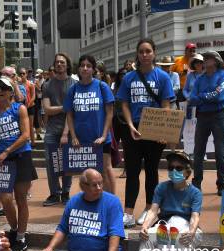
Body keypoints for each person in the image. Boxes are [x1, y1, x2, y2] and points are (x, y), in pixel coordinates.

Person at [117, 38, 175, 228]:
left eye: (148, 51)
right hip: (133, 128)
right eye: (141, 51)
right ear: (137, 54)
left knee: (152, 171)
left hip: (154, 128)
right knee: (132, 171)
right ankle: (128, 212)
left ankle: (150, 209)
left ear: (154, 53)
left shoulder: (163, 77)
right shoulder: (129, 78)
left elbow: (166, 105)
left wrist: (163, 130)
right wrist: (129, 125)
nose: (145, 55)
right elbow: (124, 103)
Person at [134, 151, 202, 251]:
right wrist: (144, 226)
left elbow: (195, 216)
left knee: (182, 236)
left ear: (187, 171)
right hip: (165, 224)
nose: (174, 171)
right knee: (147, 236)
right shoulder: (162, 187)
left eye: (179, 168)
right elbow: (153, 210)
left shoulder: (195, 192)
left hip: (185, 226)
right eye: (171, 168)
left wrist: (191, 231)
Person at [0, 77, 37, 251]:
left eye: (4, 87)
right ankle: (15, 230)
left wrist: (6, 151)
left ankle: (21, 236)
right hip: (3, 161)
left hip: (21, 156)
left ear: (11, 91)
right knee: (5, 198)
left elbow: (26, 135)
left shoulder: (19, 108)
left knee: (21, 198)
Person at [64, 55, 116, 193]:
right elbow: (69, 114)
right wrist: (73, 136)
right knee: (86, 174)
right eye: (82, 65)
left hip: (100, 139)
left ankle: (111, 204)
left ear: (93, 69)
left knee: (105, 170)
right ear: (78, 69)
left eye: (88, 66)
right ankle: (92, 203)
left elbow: (110, 112)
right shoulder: (73, 89)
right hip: (81, 140)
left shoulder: (101, 86)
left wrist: (104, 136)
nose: (85, 68)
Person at [188, 51, 224, 196]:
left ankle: (222, 185)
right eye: (204, 58)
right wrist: (205, 97)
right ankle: (197, 182)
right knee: (198, 150)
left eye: (208, 58)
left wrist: (201, 97)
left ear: (216, 60)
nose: (205, 60)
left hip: (219, 115)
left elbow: (220, 96)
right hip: (202, 116)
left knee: (220, 151)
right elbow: (191, 98)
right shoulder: (200, 79)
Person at [42, 53, 76, 206]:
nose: (59, 64)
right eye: (57, 62)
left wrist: (65, 133)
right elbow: (47, 109)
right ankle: (55, 193)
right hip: (51, 129)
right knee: (51, 162)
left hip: (69, 129)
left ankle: (66, 192)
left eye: (62, 62)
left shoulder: (74, 84)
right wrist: (64, 107)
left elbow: (73, 112)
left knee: (68, 161)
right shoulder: (47, 85)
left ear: (67, 65)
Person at [171, 43, 197, 110]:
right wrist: (181, 74)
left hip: (192, 90)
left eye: (194, 51)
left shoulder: (196, 61)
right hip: (180, 90)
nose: (192, 53)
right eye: (190, 51)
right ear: (185, 51)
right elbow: (171, 74)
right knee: (182, 109)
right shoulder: (178, 60)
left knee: (192, 110)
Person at [18, 67, 36, 145]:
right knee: (22, 125)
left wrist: (28, 104)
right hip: (21, 107)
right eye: (20, 73)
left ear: (26, 74)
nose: (22, 75)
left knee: (30, 125)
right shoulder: (17, 85)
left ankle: (33, 142)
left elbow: (33, 96)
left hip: (30, 107)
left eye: (23, 73)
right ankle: (25, 142)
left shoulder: (31, 84)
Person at [33, 68, 45, 141]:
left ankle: (42, 127)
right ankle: (40, 127)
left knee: (42, 113)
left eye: (39, 74)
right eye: (37, 75)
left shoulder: (43, 81)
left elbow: (41, 90)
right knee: (39, 113)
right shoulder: (37, 80)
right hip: (37, 99)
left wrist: (36, 86)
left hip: (43, 98)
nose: (37, 76)